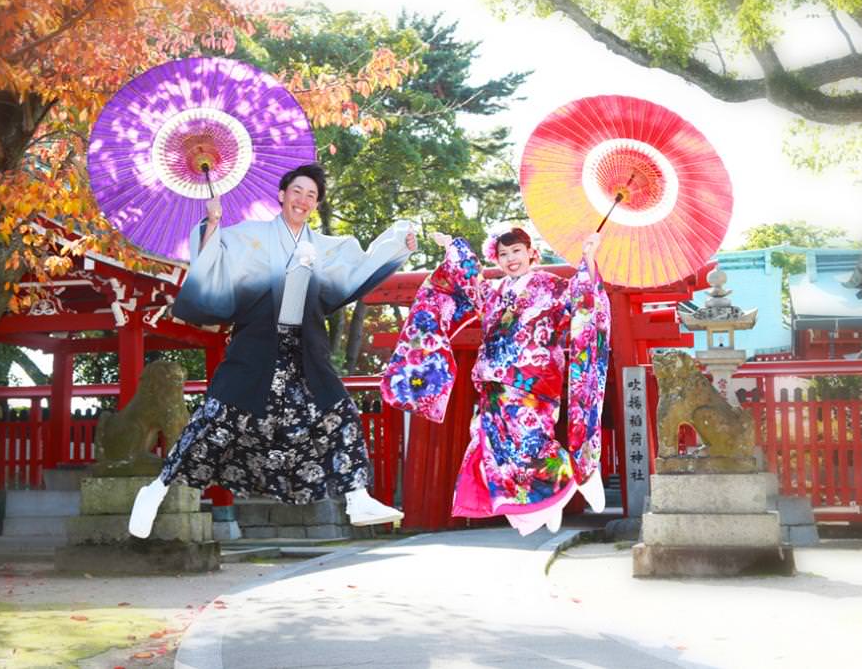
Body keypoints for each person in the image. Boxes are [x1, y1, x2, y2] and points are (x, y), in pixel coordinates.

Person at [129, 163, 417, 537]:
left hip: (306, 351)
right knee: (214, 424)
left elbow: (359, 264)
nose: (303, 200)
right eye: (297, 191)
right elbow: (214, 262)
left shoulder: (323, 247)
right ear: (282, 195)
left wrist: (399, 245)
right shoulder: (250, 237)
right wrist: (213, 224)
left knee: (339, 413)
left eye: (311, 195)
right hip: (257, 346)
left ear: (315, 205)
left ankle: (356, 496)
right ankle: (155, 492)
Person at [381, 227, 609, 535]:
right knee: (494, 453)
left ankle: (574, 477)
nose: (511, 259)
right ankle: (543, 505)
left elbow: (583, 300)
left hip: (532, 381)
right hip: (492, 384)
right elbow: (467, 280)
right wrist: (453, 247)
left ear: (531, 252)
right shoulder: (493, 292)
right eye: (503, 254)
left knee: (533, 443)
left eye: (516, 251)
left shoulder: (552, 287)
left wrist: (588, 257)